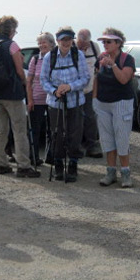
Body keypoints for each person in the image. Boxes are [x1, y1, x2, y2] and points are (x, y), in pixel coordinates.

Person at [0, 16, 41, 178]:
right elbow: (20, 71)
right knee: (19, 130)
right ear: (12, 30)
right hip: (12, 94)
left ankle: (1, 163)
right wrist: (23, 83)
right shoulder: (12, 46)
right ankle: (23, 165)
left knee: (0, 130)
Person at [40, 26, 90, 182]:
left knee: (74, 134)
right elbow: (44, 80)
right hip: (56, 103)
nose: (66, 42)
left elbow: (85, 78)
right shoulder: (50, 57)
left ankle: (73, 164)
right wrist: (55, 91)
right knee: (56, 134)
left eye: (69, 39)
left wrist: (70, 87)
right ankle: (58, 164)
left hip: (75, 102)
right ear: (58, 40)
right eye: (63, 39)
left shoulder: (78, 55)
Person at [93, 28, 136, 188]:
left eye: (108, 41)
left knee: (121, 137)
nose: (105, 44)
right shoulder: (101, 58)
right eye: (103, 42)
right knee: (107, 138)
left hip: (121, 102)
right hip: (103, 103)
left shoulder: (127, 59)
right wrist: (94, 99)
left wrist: (113, 65)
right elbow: (97, 77)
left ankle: (125, 173)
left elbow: (124, 79)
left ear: (118, 43)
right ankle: (110, 172)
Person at [26, 32, 56, 165]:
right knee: (35, 130)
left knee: (53, 130)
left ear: (51, 44)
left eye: (44, 42)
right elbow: (29, 80)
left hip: (53, 99)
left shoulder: (56, 58)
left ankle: (51, 156)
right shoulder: (35, 59)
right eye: (40, 43)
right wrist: (30, 99)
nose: (41, 45)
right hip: (37, 99)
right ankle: (33, 157)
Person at [76, 29, 103, 158]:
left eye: (85, 44)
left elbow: (98, 66)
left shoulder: (94, 47)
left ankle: (92, 145)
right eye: (81, 44)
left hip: (90, 89)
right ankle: (76, 146)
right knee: (76, 118)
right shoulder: (72, 48)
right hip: (75, 90)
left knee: (91, 117)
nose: (83, 46)